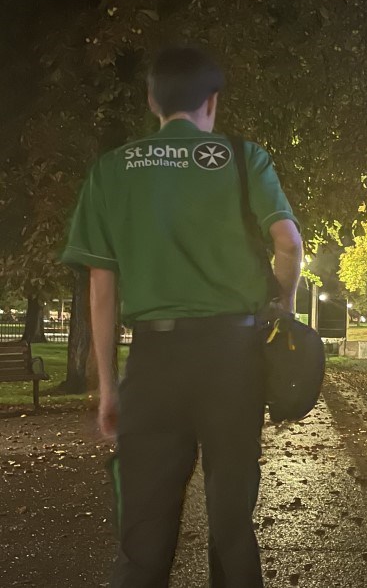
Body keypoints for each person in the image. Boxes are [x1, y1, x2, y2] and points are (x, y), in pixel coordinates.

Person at [61, 46, 302, 587]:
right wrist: (281, 309)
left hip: (155, 360)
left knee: (143, 533)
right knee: (232, 524)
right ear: (212, 102)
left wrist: (108, 388)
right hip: (233, 361)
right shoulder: (244, 158)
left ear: (152, 101)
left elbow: (102, 290)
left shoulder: (111, 170)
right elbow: (288, 243)